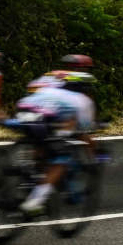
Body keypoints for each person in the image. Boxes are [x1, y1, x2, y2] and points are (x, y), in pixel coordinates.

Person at [17, 71, 97, 214]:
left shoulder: (51, 89)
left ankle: (33, 172)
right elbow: (84, 134)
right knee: (61, 160)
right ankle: (35, 201)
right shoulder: (82, 100)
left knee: (42, 142)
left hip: (23, 111)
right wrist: (93, 155)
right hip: (43, 121)